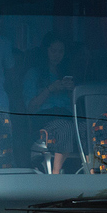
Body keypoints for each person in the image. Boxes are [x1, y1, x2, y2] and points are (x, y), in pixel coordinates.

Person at [23, 34, 76, 173]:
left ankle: (91, 172)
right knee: (65, 127)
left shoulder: (65, 74)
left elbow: (75, 106)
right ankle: (56, 174)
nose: (57, 55)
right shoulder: (33, 74)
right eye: (53, 51)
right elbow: (30, 107)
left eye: (61, 51)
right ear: (45, 51)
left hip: (67, 116)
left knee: (87, 128)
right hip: (44, 119)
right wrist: (50, 89)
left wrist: (72, 91)